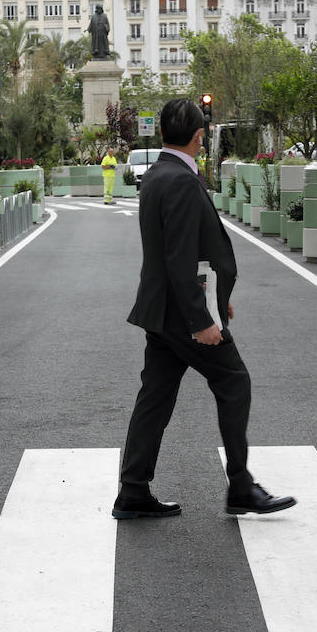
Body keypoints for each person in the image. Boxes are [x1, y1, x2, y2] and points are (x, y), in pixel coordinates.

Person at [114, 98, 296, 520]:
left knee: (155, 398)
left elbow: (179, 252)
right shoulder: (179, 180)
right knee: (234, 382)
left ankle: (133, 490)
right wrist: (201, 319)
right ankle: (241, 488)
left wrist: (216, 298)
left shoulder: (159, 173)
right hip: (181, 315)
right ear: (200, 137)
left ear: (161, 133)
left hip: (162, 310)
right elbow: (179, 257)